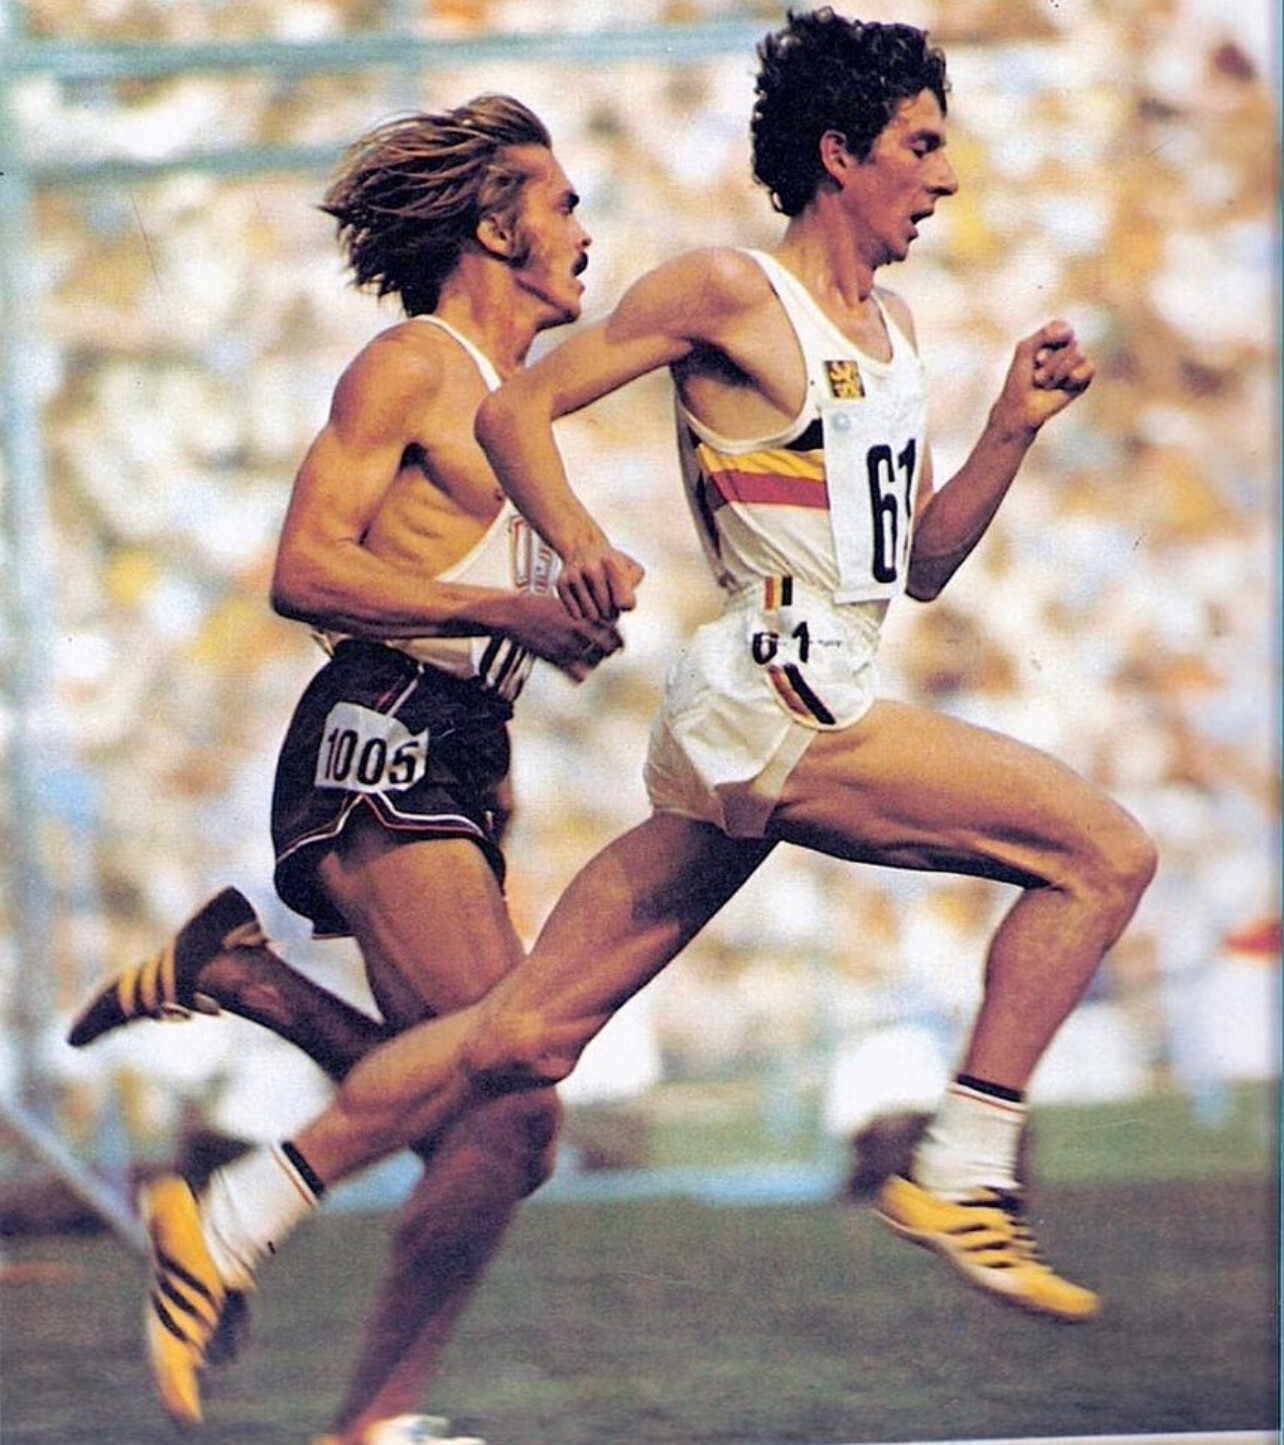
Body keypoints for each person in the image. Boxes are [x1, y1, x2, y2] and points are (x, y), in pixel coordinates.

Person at [135, 8, 1159, 1426]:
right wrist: (570, 545)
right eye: (922, 146)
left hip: (791, 695)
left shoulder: (896, 329)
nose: (945, 176)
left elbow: (919, 562)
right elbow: (517, 415)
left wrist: (1011, 427)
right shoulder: (730, 289)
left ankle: (234, 1216)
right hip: (777, 692)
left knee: (526, 1041)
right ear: (840, 153)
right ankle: (964, 1167)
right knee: (1103, 851)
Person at [69, 95, 619, 1444]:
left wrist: (529, 676)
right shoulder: (412, 366)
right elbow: (304, 571)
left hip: (454, 744)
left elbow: (467, 595)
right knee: (512, 1085)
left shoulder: (514, 406)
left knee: (496, 1128)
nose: (584, 231)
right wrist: (509, 613)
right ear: (495, 227)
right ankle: (264, 1278)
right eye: (562, 204)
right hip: (382, 730)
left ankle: (240, 978)